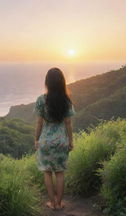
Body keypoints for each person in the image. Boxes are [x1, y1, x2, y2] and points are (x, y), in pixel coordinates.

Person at [33, 67, 75, 210]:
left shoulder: (41, 100)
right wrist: (70, 141)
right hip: (61, 140)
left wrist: (36, 139)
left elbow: (39, 123)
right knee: (60, 172)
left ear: (47, 82)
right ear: (62, 82)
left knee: (47, 172)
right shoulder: (66, 100)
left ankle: (52, 203)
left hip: (45, 140)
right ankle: (59, 202)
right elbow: (68, 123)